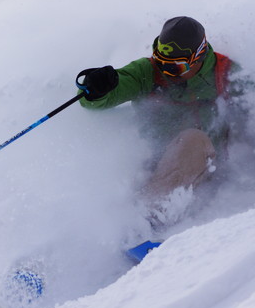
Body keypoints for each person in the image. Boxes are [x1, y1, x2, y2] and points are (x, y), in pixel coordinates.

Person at [76, 16, 237, 223]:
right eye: (161, 62)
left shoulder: (225, 73)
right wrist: (97, 89)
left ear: (199, 56)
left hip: (208, 169)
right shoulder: (147, 72)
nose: (166, 71)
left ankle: (145, 222)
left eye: (176, 67)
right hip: (155, 167)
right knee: (112, 157)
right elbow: (111, 92)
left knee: (193, 139)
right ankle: (97, 223)